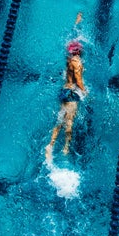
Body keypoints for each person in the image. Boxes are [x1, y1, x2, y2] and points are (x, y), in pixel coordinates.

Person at [46, 13, 87, 161]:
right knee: (69, 121)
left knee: (60, 118)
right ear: (79, 51)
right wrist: (85, 91)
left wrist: (77, 22)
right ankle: (65, 148)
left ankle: (50, 145)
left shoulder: (68, 59)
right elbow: (79, 80)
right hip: (72, 93)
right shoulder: (77, 62)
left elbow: (73, 38)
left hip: (64, 90)